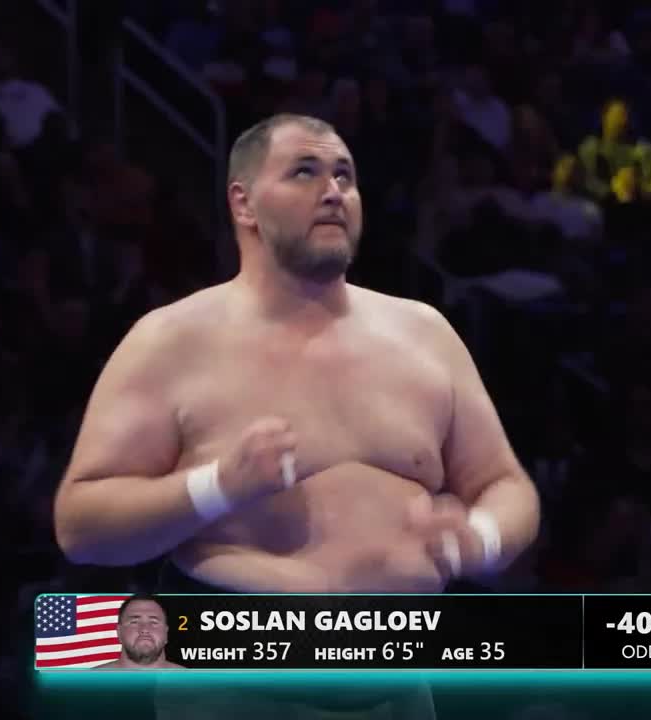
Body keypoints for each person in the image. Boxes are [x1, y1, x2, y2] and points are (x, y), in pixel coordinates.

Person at [54, 113, 540, 718]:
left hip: (402, 689)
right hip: (234, 688)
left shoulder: (425, 333)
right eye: (305, 172)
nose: (333, 190)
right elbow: (80, 527)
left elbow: (505, 484)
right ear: (244, 203)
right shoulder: (171, 342)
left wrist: (481, 538)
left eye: (345, 175)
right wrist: (216, 487)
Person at [95, 594, 184, 670]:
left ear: (166, 633)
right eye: (134, 622)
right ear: (119, 632)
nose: (145, 629)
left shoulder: (190, 682)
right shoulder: (90, 681)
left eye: (154, 622)